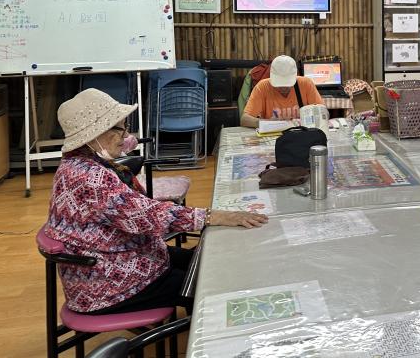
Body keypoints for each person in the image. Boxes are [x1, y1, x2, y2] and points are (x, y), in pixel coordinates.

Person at [46, 88, 268, 315]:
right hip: (106, 285)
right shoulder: (92, 178)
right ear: (98, 134)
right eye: (121, 129)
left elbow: (131, 206)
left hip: (108, 262)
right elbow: (148, 216)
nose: (125, 136)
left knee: (207, 258)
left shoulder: (78, 161)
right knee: (209, 281)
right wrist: (212, 216)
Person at [241, 54, 324, 127]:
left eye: (287, 84)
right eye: (279, 84)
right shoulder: (262, 87)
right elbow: (244, 119)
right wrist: (267, 123)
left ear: (295, 76)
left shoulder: (306, 84)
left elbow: (322, 112)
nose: (283, 88)